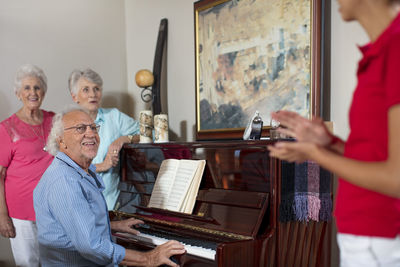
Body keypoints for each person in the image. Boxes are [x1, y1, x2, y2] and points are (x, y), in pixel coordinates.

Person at [267, 0, 400, 265]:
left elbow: (396, 177)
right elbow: (374, 155)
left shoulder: (395, 50)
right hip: (364, 234)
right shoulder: (381, 51)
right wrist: (329, 143)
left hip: (379, 232)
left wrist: (315, 153)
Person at [33, 108, 185, 266]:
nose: (91, 134)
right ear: (61, 140)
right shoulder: (65, 181)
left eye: (93, 127)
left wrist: (113, 226)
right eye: (80, 128)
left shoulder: (79, 170)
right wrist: (148, 258)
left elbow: (74, 228)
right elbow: (92, 247)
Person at [0, 64, 55, 267]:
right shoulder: (7, 128)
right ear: (18, 93)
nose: (33, 92)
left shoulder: (54, 120)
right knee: (28, 264)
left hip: (52, 209)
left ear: (44, 91)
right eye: (27, 88)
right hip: (21, 212)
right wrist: (2, 215)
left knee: (55, 262)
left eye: (37, 87)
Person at [68, 68, 140, 210]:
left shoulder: (114, 116)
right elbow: (69, 169)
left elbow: (150, 134)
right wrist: (103, 166)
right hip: (81, 205)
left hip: (113, 204)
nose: (92, 94)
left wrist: (123, 139)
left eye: (96, 89)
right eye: (86, 90)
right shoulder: (68, 125)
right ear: (74, 97)